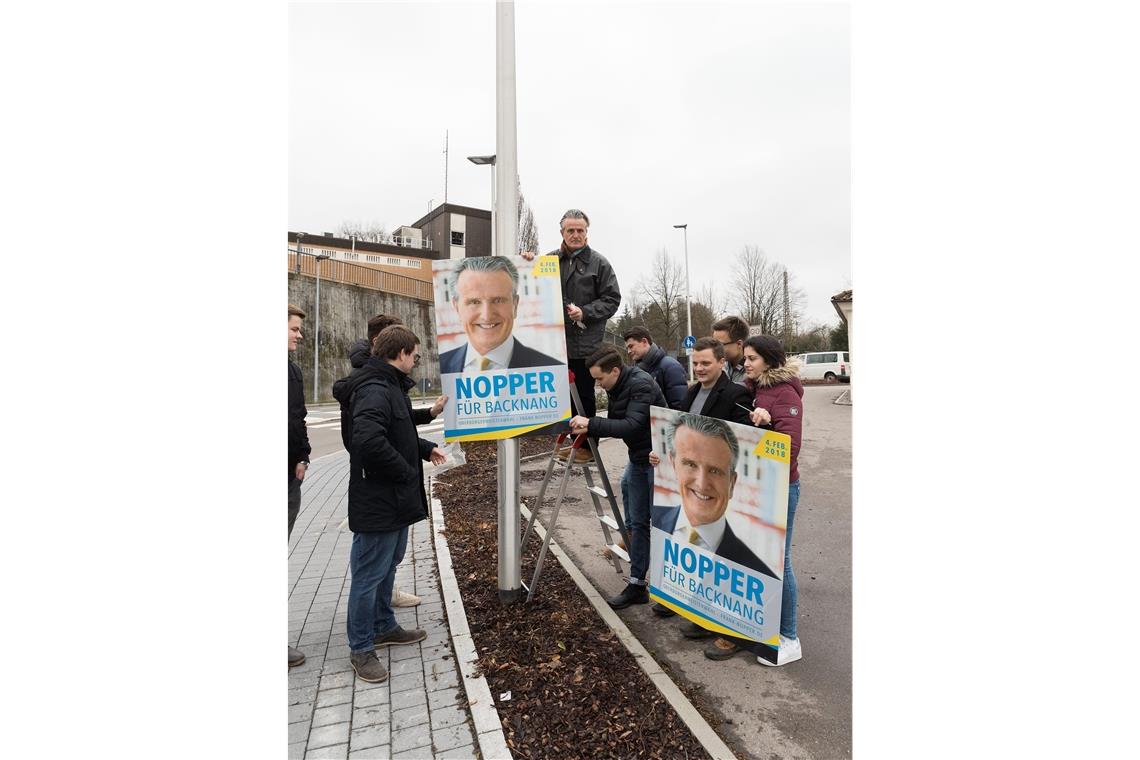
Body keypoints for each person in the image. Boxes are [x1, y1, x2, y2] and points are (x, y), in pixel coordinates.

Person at [345, 325, 448, 683]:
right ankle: (361, 648)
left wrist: (423, 449)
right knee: (368, 575)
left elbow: (398, 432)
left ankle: (384, 626)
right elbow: (369, 441)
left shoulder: (390, 386)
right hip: (379, 499)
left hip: (393, 498)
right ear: (401, 354)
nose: (416, 361)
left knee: (388, 566)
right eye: (415, 355)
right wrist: (405, 470)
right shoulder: (375, 389)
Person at [568, 345, 665, 609]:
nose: (598, 385)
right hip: (638, 459)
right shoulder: (618, 385)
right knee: (638, 523)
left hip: (658, 463)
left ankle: (669, 591)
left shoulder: (641, 385)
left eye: (600, 379)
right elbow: (619, 422)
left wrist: (591, 423)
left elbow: (631, 426)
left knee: (662, 527)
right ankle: (637, 584)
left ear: (615, 370)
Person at [523, 209, 621, 461]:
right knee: (560, 398)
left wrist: (585, 312)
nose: (576, 235)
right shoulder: (550, 261)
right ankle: (574, 442)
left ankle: (588, 449)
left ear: (587, 233)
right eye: (571, 230)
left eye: (580, 230)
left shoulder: (600, 264)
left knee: (584, 398)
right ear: (562, 233)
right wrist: (528, 262)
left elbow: (612, 299)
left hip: (586, 346)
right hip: (555, 345)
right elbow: (530, 283)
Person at [742, 334, 805, 667]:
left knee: (781, 560)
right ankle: (768, 626)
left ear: (769, 359)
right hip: (759, 486)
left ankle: (790, 637)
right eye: (745, 359)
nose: (746, 364)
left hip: (782, 488)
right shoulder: (756, 388)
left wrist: (766, 427)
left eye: (752, 358)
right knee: (764, 559)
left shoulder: (784, 393)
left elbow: (790, 451)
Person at [438, 255, 561, 373]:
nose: (486, 316)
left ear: (515, 305)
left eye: (498, 300)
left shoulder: (554, 372)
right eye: (474, 302)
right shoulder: (439, 369)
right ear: (456, 307)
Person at [288, 304, 311, 668]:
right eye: (293, 328)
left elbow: (297, 417)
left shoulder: (290, 368)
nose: (298, 334)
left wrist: (303, 455)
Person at [623, 326, 688, 410]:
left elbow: (679, 408)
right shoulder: (638, 369)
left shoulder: (671, 367)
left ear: (644, 341)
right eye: (627, 348)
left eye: (631, 346)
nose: (628, 351)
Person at [711, 315, 750, 386]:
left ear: (739, 344)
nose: (715, 349)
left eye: (720, 345)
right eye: (713, 344)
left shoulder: (753, 372)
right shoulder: (722, 368)